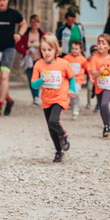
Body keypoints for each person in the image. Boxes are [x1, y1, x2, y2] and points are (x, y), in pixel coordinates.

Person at [31, 34, 75, 163]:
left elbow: (71, 77)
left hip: (60, 98)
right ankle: (59, 151)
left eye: (49, 50)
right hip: (47, 99)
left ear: (56, 49)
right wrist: (42, 79)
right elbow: (34, 85)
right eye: (43, 50)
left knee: (53, 121)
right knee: (50, 128)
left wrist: (72, 89)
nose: (46, 53)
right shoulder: (39, 64)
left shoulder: (63, 63)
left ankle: (63, 135)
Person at [16, 14, 46, 106]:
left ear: (39, 23)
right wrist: (25, 51)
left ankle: (39, 95)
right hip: (29, 60)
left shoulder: (42, 34)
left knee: (39, 78)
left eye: (36, 22)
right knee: (31, 79)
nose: (34, 24)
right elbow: (18, 46)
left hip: (39, 60)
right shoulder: (25, 34)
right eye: (32, 22)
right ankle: (35, 97)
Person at [63, 40, 88, 119]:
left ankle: (76, 107)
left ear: (80, 49)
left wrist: (88, 77)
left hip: (78, 80)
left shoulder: (83, 59)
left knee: (75, 92)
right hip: (68, 80)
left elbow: (87, 69)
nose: (74, 50)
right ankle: (70, 104)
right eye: (72, 48)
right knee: (67, 94)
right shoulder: (66, 58)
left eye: (76, 49)